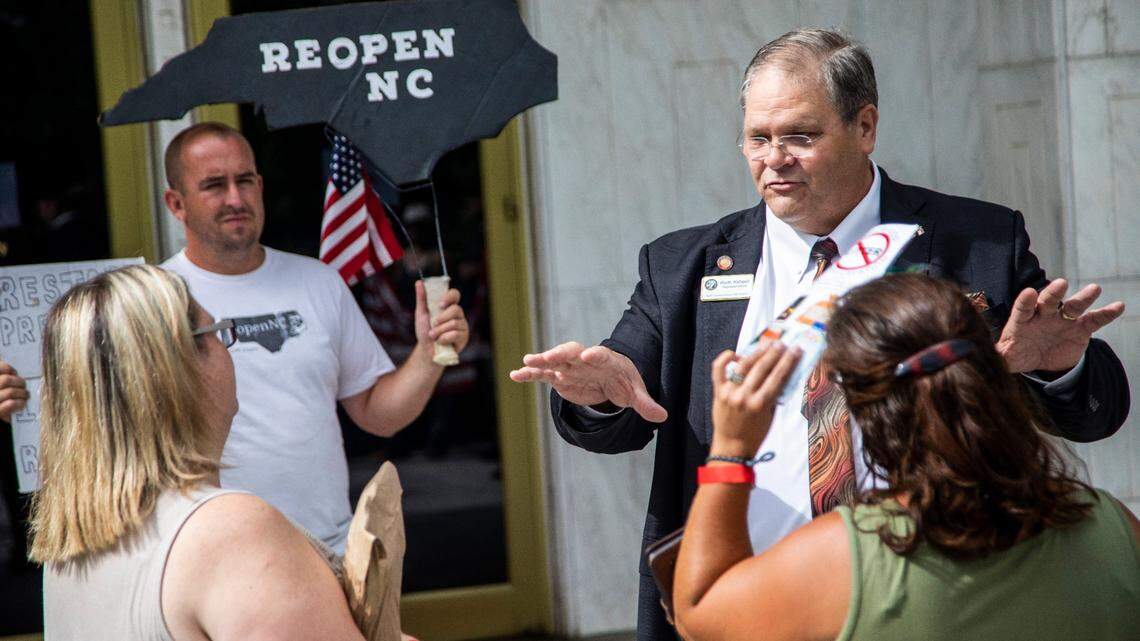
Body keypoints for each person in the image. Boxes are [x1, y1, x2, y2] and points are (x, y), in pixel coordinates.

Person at [509, 28, 1130, 641]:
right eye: (758, 138)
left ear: (865, 127)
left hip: (926, 598)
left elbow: (1094, 413)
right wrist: (596, 393)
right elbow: (625, 408)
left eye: (800, 137)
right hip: (743, 598)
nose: (774, 158)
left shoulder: (977, 241)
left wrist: (1054, 369)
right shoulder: (685, 265)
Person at [672, 273, 1140, 641]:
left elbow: (699, 613)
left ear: (858, 405)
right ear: (990, 378)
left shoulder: (842, 559)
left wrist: (731, 449)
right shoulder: (1113, 526)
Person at [159, 121, 469, 553]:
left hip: (329, 548)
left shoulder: (318, 282)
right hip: (214, 556)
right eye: (214, 185)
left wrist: (431, 351)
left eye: (244, 180)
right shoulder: (153, 300)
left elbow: (377, 414)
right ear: (176, 203)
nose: (235, 198)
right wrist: (28, 397)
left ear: (260, 185)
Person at [31, 265, 366, 640]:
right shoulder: (231, 531)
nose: (229, 349)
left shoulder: (70, 543)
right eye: (219, 333)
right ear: (177, 366)